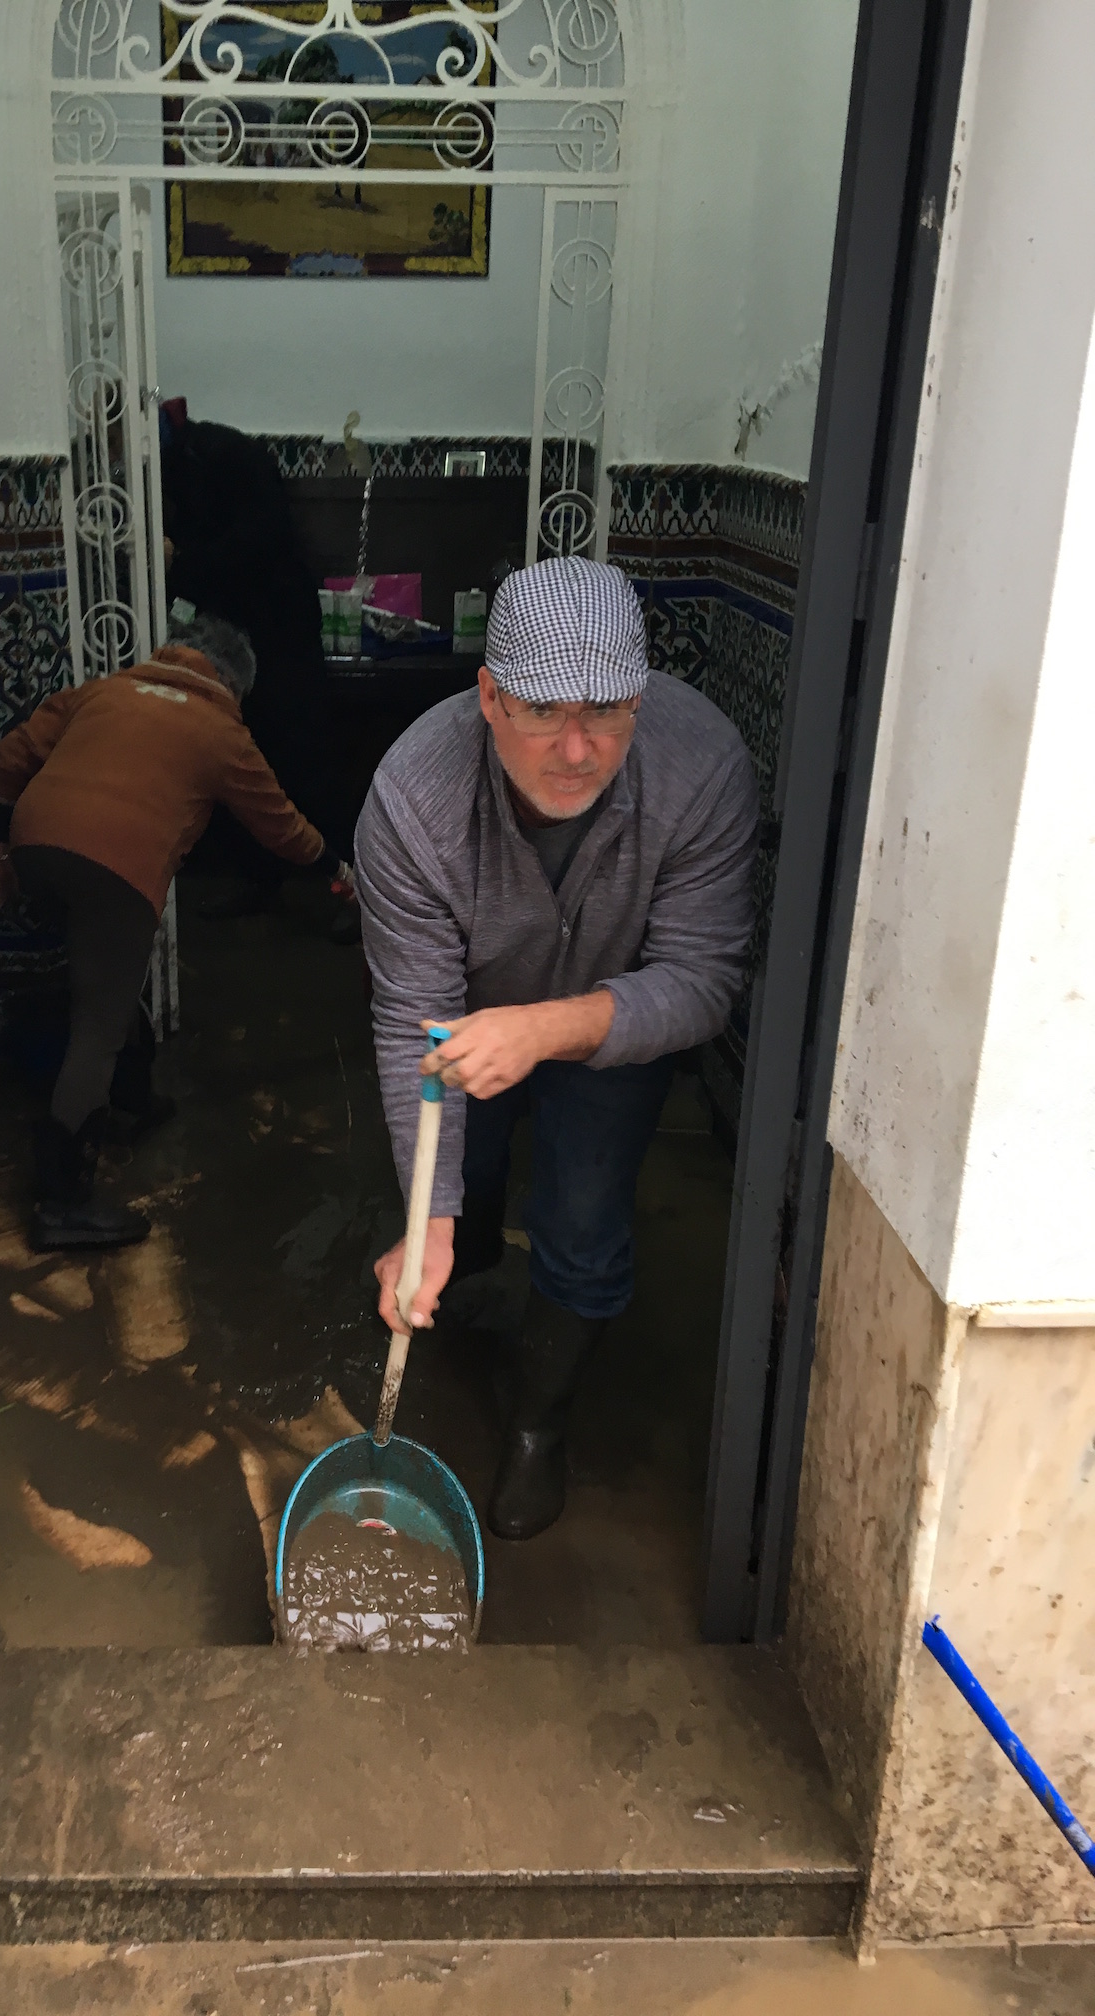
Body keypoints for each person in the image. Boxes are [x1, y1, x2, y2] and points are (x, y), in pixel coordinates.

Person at [354, 557, 758, 1541]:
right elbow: (415, 1015)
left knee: (583, 1217)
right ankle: (475, 1261)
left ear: (643, 695)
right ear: (489, 697)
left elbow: (703, 982)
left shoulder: (702, 765)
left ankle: (540, 1426)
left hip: (614, 1032)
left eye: (609, 711)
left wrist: (545, 1032)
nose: (576, 749)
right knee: (463, 1182)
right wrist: (431, 1223)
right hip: (469, 1024)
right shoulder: (414, 797)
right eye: (542, 711)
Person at [0, 611, 343, 1252]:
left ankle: (130, 1099)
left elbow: (11, 756)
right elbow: (280, 826)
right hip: (117, 868)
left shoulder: (105, 689)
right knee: (96, 1022)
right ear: (232, 683)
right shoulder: (221, 730)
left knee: (106, 982)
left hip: (34, 842)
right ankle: (62, 1204)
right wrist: (331, 863)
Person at [159, 404, 355, 935]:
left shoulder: (225, 456)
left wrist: (183, 558)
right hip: (233, 631)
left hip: (280, 628)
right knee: (241, 753)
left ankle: (355, 894)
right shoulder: (174, 458)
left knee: (305, 757)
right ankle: (259, 881)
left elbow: (258, 543)